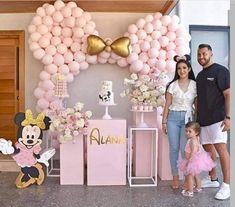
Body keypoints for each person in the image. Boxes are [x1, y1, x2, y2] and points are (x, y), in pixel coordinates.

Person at [196, 44, 230, 200]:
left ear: (211, 53)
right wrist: (197, 121)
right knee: (208, 150)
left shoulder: (221, 71)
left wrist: (228, 117)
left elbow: (229, 95)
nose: (201, 57)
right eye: (199, 54)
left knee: (221, 151)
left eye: (204, 53)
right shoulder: (200, 76)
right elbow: (199, 100)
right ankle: (213, 179)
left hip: (218, 119)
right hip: (203, 120)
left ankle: (227, 185)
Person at [162, 55, 197, 189]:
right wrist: (163, 122)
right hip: (173, 118)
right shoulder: (172, 86)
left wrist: (196, 124)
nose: (181, 71)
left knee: (185, 150)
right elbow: (167, 105)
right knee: (174, 148)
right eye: (179, 68)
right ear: (176, 71)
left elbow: (197, 106)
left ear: (188, 69)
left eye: (184, 68)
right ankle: (175, 176)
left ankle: (187, 177)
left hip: (188, 120)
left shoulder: (195, 85)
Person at [178, 121, 216, 197]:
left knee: (189, 176)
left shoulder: (193, 141)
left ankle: (190, 191)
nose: (187, 133)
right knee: (196, 175)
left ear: (196, 132)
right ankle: (198, 188)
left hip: (192, 161)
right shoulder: (195, 138)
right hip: (195, 161)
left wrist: (189, 161)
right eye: (186, 131)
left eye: (190, 131)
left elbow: (193, 151)